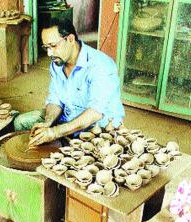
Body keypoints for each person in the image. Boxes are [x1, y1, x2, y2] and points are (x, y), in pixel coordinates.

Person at [14, 16, 125, 147]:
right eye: (46, 47)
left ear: (70, 39)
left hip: (96, 126)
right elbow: (55, 100)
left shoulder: (100, 65)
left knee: (82, 157)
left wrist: (55, 132)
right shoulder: (57, 63)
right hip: (67, 119)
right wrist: (48, 122)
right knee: (20, 122)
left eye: (53, 46)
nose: (49, 53)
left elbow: (94, 113)